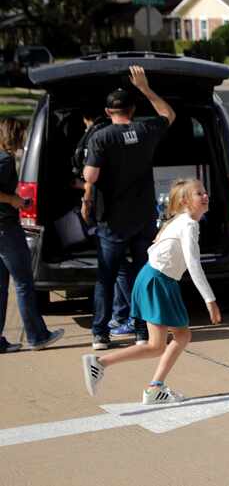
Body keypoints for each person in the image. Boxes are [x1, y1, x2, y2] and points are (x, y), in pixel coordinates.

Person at [81, 178, 222, 404]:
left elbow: (155, 245)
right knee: (157, 345)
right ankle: (101, 363)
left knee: (182, 335)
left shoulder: (180, 220)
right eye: (199, 193)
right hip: (157, 281)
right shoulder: (188, 225)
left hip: (157, 280)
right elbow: (193, 263)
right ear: (186, 201)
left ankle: (155, 387)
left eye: (205, 192)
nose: (205, 196)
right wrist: (210, 300)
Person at [81, 65, 176, 350]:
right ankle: (141, 331)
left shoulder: (101, 137)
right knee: (141, 276)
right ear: (132, 109)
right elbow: (168, 115)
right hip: (142, 217)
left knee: (106, 278)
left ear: (109, 112)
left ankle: (100, 334)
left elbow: (90, 176)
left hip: (112, 222)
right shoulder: (146, 129)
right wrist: (145, 88)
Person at [0, 117, 64, 353]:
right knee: (24, 283)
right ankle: (37, 336)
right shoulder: (5, 160)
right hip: (6, 228)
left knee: (2, 286)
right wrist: (14, 200)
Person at [72, 109, 133, 336]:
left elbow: (91, 177)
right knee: (121, 269)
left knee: (112, 271)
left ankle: (110, 324)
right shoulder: (121, 137)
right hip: (128, 212)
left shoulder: (97, 138)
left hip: (107, 215)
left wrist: (85, 199)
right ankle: (122, 315)